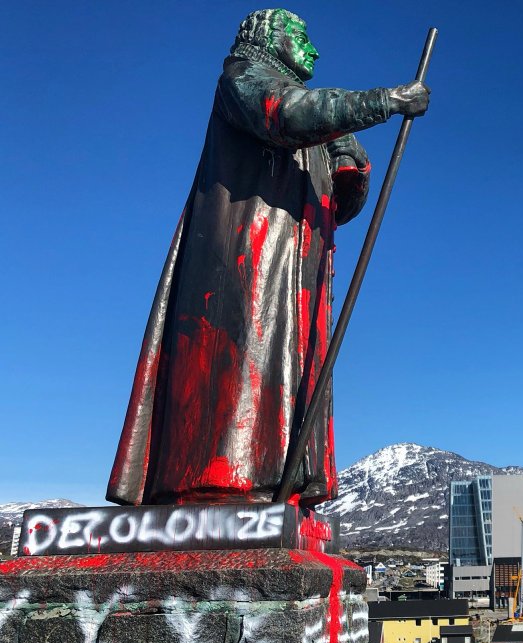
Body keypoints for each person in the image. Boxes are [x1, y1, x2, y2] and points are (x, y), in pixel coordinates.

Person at [107, 8, 429, 506]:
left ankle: (279, 481)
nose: (313, 50)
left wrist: (351, 164)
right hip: (245, 254)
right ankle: (222, 482)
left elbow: (337, 207)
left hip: (294, 267)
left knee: (287, 366)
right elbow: (287, 115)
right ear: (269, 37)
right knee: (241, 358)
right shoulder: (244, 77)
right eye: (301, 37)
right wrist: (383, 102)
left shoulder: (308, 113)